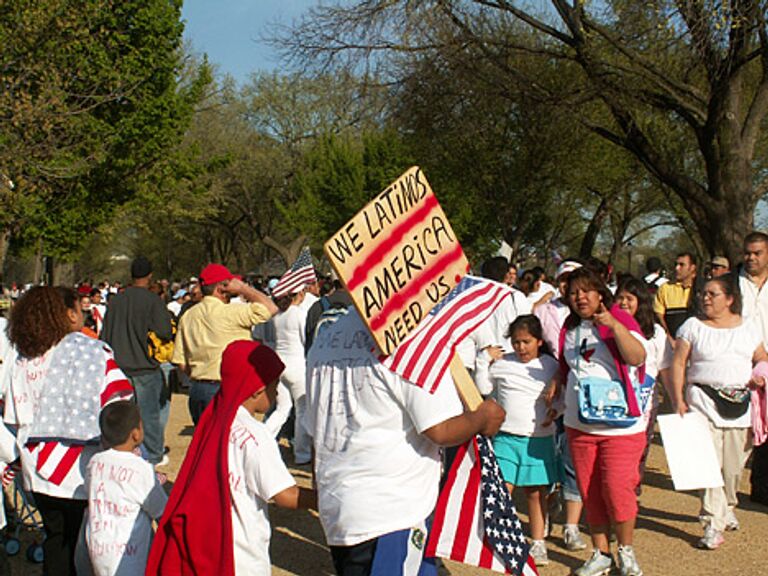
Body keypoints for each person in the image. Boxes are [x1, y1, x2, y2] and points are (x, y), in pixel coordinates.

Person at [305, 308, 505, 576]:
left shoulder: (327, 338)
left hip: (342, 507)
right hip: (393, 510)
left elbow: (316, 427)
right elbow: (440, 429)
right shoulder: (411, 336)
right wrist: (482, 417)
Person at [147, 340, 316, 575]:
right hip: (242, 552)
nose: (277, 391)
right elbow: (284, 495)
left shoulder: (216, 415)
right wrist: (324, 500)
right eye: (274, 384)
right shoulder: (255, 435)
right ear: (257, 389)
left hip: (210, 539)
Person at [4, 286, 134, 575]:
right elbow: (119, 401)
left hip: (37, 467)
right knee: (84, 544)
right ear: (65, 314)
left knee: (56, 539)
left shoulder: (23, 359)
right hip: (80, 465)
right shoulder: (92, 350)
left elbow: (13, 416)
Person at [548, 267, 648, 576]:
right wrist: (556, 388)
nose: (580, 297)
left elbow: (637, 357)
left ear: (600, 293)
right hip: (580, 425)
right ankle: (601, 552)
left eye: (586, 290)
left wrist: (615, 326)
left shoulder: (619, 319)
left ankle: (626, 551)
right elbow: (567, 367)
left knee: (618, 489)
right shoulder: (569, 326)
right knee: (590, 492)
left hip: (621, 427)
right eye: (574, 292)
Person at [671, 273, 767, 549]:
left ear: (730, 299)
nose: (706, 298)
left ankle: (727, 505)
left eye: (713, 294)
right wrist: (677, 398)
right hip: (702, 398)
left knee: (733, 467)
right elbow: (679, 363)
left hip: (740, 402)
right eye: (704, 293)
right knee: (708, 465)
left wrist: (760, 374)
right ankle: (712, 523)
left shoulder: (748, 327)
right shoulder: (692, 326)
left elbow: (761, 357)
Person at [490, 315, 560, 566]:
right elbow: (482, 387)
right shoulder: (500, 363)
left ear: (539, 341)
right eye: (516, 342)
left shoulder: (551, 366)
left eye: (526, 341)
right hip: (506, 435)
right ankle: (501, 537)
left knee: (534, 493)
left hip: (538, 438)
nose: (521, 347)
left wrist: (556, 411)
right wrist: (482, 359)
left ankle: (538, 542)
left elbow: (559, 397)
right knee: (501, 488)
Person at [172, 263, 278, 425]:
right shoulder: (231, 313)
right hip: (226, 388)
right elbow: (270, 308)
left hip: (197, 389)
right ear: (221, 289)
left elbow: (180, 361)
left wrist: (201, 374)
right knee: (230, 445)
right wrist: (243, 288)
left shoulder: (188, 316)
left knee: (207, 443)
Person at [534, 259, 588, 552]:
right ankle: (547, 513)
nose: (568, 286)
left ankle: (571, 525)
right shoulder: (544, 311)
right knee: (548, 455)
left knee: (572, 459)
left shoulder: (586, 312)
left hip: (578, 396)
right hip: (549, 391)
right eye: (564, 280)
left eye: (574, 279)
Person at [101, 257, 173, 467]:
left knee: (122, 415)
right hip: (145, 367)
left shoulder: (116, 301)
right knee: (150, 414)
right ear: (150, 276)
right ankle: (152, 455)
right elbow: (165, 331)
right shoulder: (153, 301)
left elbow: (105, 335)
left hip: (118, 367)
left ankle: (122, 451)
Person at [82, 401, 168, 576]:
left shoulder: (95, 462)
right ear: (136, 434)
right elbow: (160, 509)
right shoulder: (140, 468)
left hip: (99, 551)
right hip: (130, 555)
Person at [615, 276, 673, 491]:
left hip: (645, 405)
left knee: (638, 451)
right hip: (614, 403)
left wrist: (674, 398)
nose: (623, 303)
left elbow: (665, 368)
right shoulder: (607, 328)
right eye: (619, 297)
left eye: (629, 298)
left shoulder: (655, 333)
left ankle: (631, 490)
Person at [264, 289, 312, 465]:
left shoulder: (277, 315)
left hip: (279, 363)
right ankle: (302, 453)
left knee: (282, 409)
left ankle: (264, 439)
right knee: (302, 410)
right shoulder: (299, 314)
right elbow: (304, 339)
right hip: (296, 364)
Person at [738, 231, 768, 504]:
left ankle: (762, 488)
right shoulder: (732, 286)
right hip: (739, 365)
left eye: (757, 253)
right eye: (748, 252)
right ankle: (725, 492)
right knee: (740, 431)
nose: (751, 258)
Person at [653, 252, 698, 342]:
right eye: (676, 264)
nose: (677, 268)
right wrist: (668, 338)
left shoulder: (701, 288)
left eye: (682, 265)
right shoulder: (665, 288)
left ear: (692, 267)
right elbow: (659, 315)